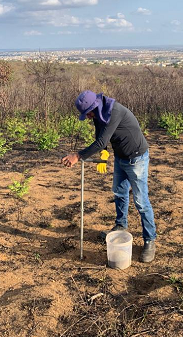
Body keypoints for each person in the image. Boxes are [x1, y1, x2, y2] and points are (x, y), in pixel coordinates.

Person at [61, 90, 157, 263]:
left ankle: (149, 240)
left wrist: (78, 155)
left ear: (94, 107)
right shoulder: (99, 114)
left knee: (141, 202)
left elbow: (100, 142)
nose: (88, 117)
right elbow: (100, 137)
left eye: (88, 113)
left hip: (137, 158)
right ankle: (121, 226)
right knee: (119, 192)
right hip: (120, 157)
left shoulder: (115, 111)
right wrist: (104, 155)